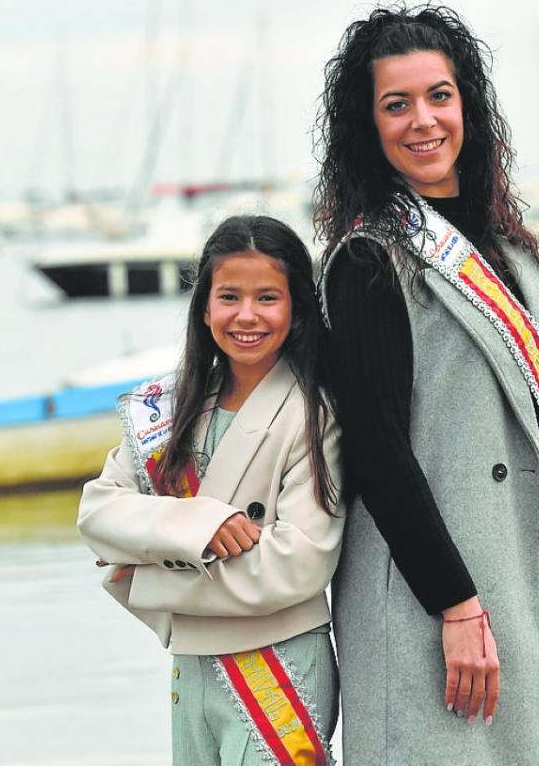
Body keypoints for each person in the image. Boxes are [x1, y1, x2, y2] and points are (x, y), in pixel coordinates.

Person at [314, 2, 539, 763]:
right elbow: (378, 451)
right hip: (441, 601)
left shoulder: (509, 251)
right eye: (396, 104)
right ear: (369, 125)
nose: (422, 121)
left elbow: (538, 434)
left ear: (468, 104)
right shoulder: (371, 261)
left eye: (439, 96)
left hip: (530, 581)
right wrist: (455, 604)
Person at [78, 215, 343, 766]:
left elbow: (298, 564)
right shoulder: (166, 409)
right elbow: (98, 511)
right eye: (229, 296)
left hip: (280, 667)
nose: (246, 315)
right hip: (190, 664)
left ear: (295, 310)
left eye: (268, 297)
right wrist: (201, 526)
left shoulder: (314, 413)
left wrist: (149, 570)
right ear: (203, 307)